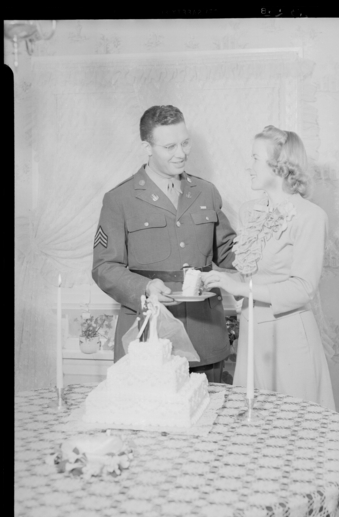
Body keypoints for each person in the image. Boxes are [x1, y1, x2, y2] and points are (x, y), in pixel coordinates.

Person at [92, 105, 236, 383]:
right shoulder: (119, 199)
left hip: (205, 335)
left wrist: (270, 241)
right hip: (149, 337)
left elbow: (229, 252)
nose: (181, 153)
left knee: (212, 419)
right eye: (169, 146)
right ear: (147, 147)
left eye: (185, 143)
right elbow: (104, 267)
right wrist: (144, 287)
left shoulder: (206, 192)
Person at [203, 125, 336, 409]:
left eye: (254, 158)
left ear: (279, 165)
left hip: (289, 338)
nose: (248, 166)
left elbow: (302, 288)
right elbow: (248, 270)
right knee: (254, 432)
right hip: (251, 335)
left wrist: (237, 287)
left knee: (293, 430)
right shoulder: (250, 212)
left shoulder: (311, 217)